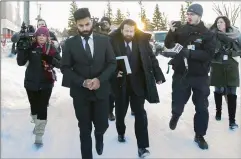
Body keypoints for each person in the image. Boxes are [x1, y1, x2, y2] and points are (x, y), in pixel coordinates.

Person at [61, 8, 116, 159]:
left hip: (101, 91)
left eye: (87, 24)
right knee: (84, 129)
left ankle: (99, 136)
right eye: (81, 26)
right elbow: (65, 67)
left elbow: (112, 63)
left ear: (91, 21)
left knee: (102, 125)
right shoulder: (70, 43)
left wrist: (100, 79)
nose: (85, 28)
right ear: (76, 25)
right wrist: (82, 82)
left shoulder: (104, 41)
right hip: (81, 94)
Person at [109, 19, 165, 158]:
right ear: (121, 30)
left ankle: (143, 147)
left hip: (138, 84)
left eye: (131, 31)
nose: (129, 33)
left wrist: (158, 75)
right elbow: (106, 60)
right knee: (120, 112)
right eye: (126, 30)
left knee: (140, 113)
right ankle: (120, 132)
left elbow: (151, 58)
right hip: (120, 84)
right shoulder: (112, 42)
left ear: (135, 30)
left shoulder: (142, 41)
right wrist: (116, 72)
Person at [162, 4, 216, 150]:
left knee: (202, 107)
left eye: (192, 14)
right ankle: (176, 114)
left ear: (200, 16)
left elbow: (209, 54)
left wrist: (190, 54)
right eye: (187, 14)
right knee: (178, 100)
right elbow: (168, 44)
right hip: (181, 73)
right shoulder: (181, 30)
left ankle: (199, 135)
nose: (189, 16)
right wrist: (171, 31)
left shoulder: (207, 33)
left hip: (200, 76)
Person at [16, 26, 61, 145]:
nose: (41, 37)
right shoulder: (30, 47)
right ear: (36, 36)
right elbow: (20, 62)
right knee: (34, 108)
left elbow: (61, 64)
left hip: (46, 83)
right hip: (31, 83)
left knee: (42, 108)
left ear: (47, 37)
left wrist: (50, 59)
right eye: (39, 35)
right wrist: (21, 48)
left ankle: (39, 134)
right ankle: (37, 124)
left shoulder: (52, 48)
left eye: (44, 35)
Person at [209, 16, 241, 129]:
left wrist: (231, 52)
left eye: (221, 22)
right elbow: (208, 52)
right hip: (217, 66)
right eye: (217, 22)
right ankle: (218, 111)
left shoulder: (236, 34)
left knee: (232, 93)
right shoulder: (212, 35)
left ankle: (232, 121)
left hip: (231, 66)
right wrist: (217, 50)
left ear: (226, 23)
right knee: (218, 90)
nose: (219, 24)